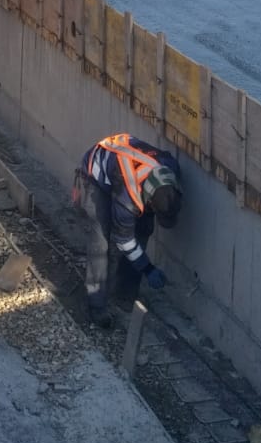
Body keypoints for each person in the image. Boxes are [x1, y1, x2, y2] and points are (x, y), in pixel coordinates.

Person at [72, 133, 182, 327]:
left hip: (125, 174)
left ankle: (125, 294)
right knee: (100, 244)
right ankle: (96, 306)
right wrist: (148, 269)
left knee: (144, 228)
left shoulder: (170, 170)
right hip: (95, 177)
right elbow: (123, 240)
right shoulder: (128, 196)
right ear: (147, 199)